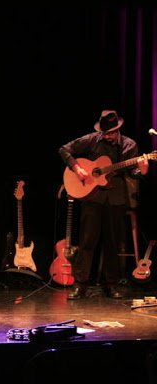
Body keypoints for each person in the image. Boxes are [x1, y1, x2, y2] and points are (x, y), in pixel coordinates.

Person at [59, 110, 149, 300]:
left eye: (111, 132)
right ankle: (80, 285)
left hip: (116, 198)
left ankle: (111, 285)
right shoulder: (92, 139)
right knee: (87, 242)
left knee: (112, 242)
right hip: (92, 197)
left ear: (118, 130)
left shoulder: (129, 145)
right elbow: (64, 149)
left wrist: (142, 170)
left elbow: (132, 173)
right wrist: (77, 167)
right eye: (105, 132)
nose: (107, 136)